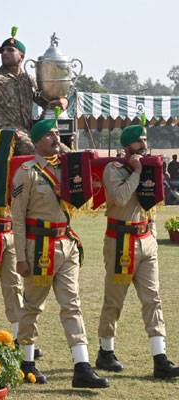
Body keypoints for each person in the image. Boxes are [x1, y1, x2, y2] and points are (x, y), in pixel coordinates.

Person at [11, 119, 108, 388]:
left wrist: (69, 156)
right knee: (33, 306)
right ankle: (26, 363)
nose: (56, 136)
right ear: (38, 141)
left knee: (72, 305)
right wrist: (20, 256)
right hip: (39, 246)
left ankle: (82, 366)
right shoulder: (26, 172)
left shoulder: (67, 168)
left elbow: (87, 181)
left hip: (66, 244)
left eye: (57, 132)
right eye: (50, 133)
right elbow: (17, 218)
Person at [95, 124, 179, 378]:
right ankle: (106, 352)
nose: (143, 143)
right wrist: (137, 172)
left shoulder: (150, 167)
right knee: (114, 300)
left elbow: (150, 202)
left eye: (145, 139)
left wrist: (152, 234)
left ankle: (160, 357)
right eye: (138, 141)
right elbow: (120, 197)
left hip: (146, 240)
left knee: (153, 299)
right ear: (127, 146)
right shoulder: (114, 169)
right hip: (121, 240)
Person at [0, 29, 68, 155]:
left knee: (66, 151)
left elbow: (47, 103)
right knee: (37, 152)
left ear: (22, 57)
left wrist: (62, 101)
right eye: (3, 50)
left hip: (29, 132)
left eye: (10, 50)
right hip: (6, 135)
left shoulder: (28, 80)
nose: (5, 53)